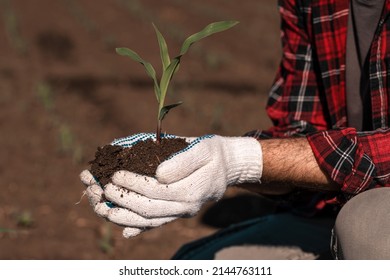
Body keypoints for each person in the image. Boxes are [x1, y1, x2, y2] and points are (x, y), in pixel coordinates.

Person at [80, 0, 390, 259]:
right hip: (334, 211)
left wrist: (241, 159)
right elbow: (303, 135)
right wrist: (215, 160)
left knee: (365, 225)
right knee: (192, 264)